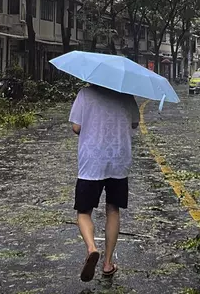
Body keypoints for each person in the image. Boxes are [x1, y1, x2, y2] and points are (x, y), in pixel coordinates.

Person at [69, 84, 140, 282]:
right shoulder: (126, 95)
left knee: (84, 212)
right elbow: (134, 123)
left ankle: (92, 248)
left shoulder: (85, 93)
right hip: (118, 159)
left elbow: (76, 127)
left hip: (91, 161)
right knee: (113, 209)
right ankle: (108, 264)